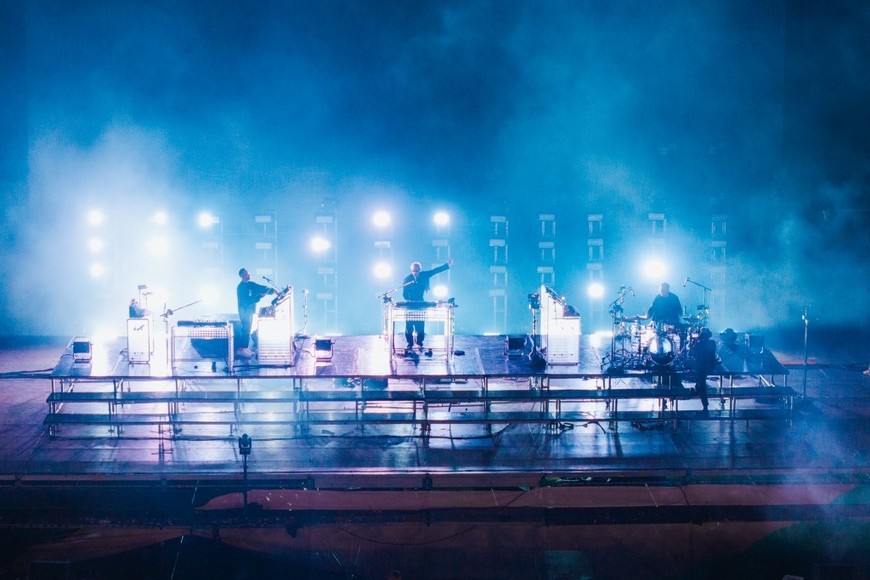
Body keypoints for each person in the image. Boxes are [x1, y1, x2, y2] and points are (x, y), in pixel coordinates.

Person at [401, 259, 452, 353]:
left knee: (420, 325)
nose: (416, 273)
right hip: (410, 304)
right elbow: (404, 294)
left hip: (421, 302)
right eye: (414, 271)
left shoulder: (424, 275)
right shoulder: (407, 279)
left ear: (420, 270)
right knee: (409, 326)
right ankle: (410, 343)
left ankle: (420, 342)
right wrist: (409, 300)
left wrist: (446, 265)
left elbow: (435, 271)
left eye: (417, 271)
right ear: (411, 270)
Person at [236, 268, 275, 358]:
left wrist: (273, 291)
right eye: (247, 274)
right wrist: (259, 297)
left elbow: (260, 288)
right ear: (242, 276)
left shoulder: (251, 284)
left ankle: (246, 347)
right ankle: (242, 349)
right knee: (246, 328)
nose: (249, 275)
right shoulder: (240, 287)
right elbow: (246, 300)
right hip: (244, 311)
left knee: (250, 328)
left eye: (249, 273)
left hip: (250, 310)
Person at [690, 328, 718, 412]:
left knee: (701, 383)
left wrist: (695, 342)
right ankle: (698, 389)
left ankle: (705, 404)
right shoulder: (712, 343)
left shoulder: (699, 344)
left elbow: (693, 353)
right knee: (700, 381)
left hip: (702, 367)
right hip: (710, 366)